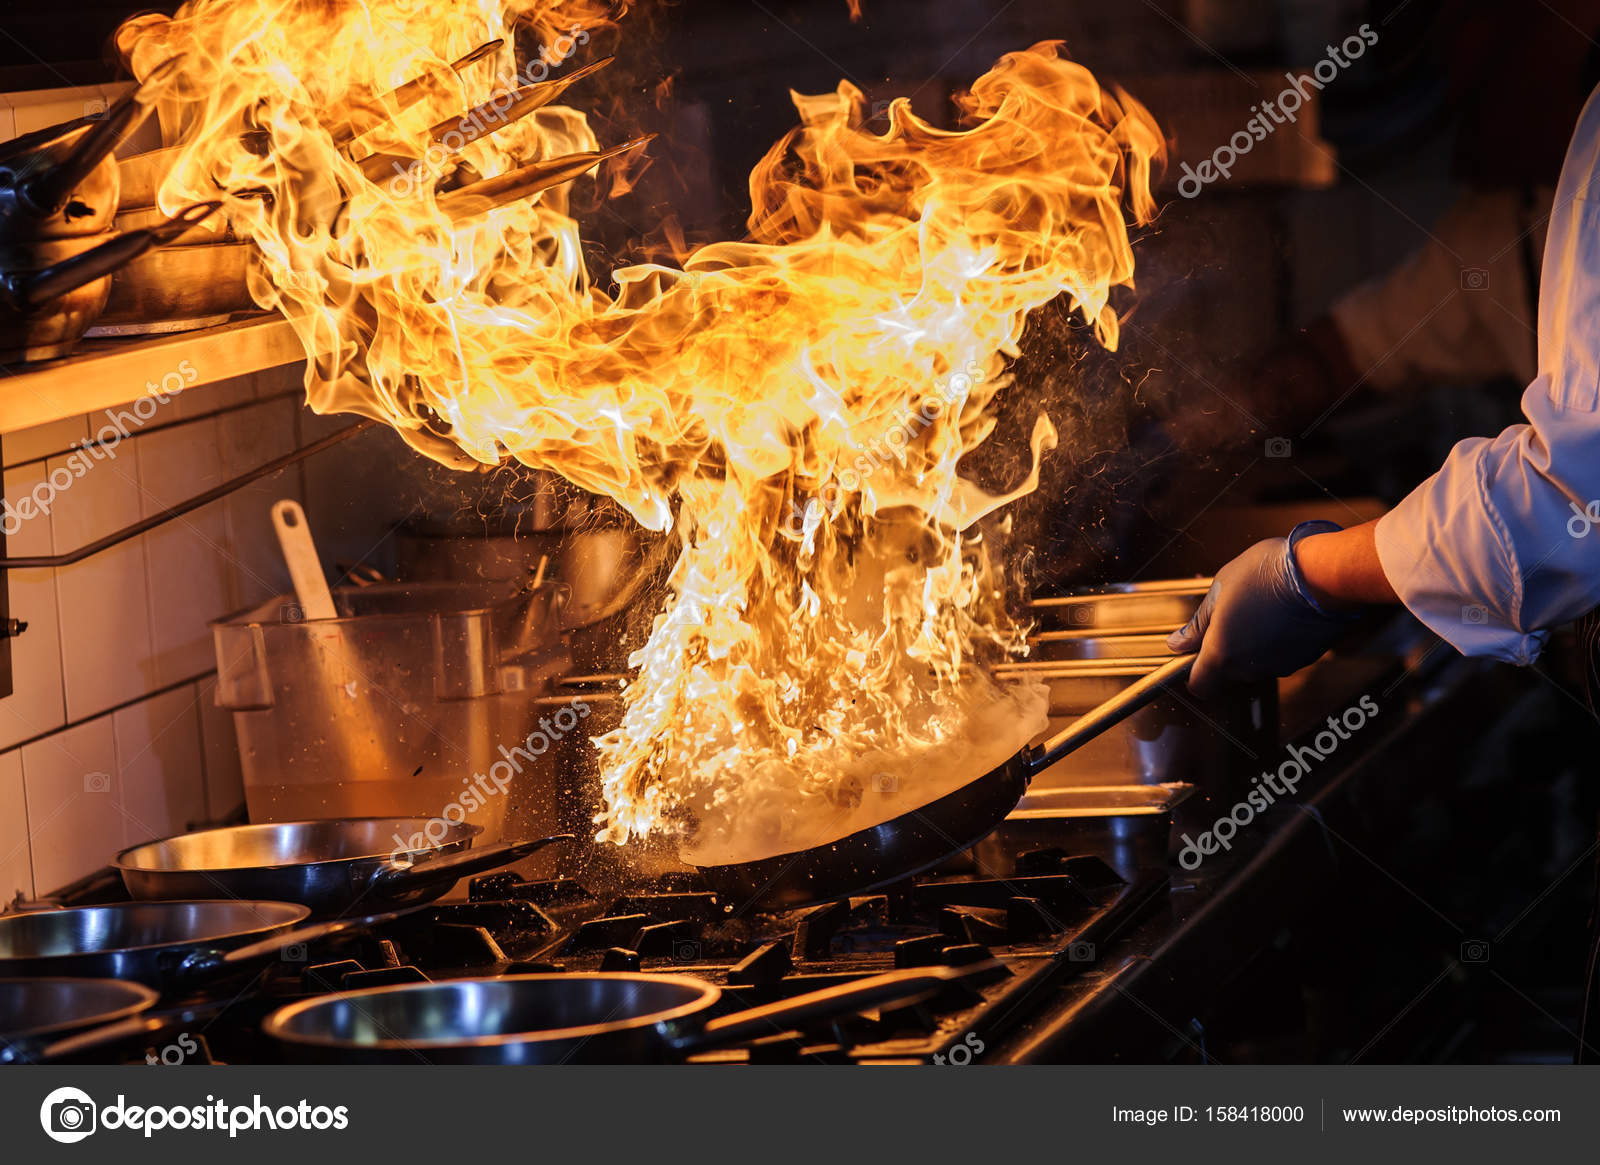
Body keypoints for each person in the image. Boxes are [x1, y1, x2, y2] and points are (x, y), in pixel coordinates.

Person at [1169, 79, 1600, 698]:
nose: (1450, 67)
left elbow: (1573, 497)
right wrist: (1175, 439)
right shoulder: (1510, 217)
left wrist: (1309, 574)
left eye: (1470, 21)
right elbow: (1351, 350)